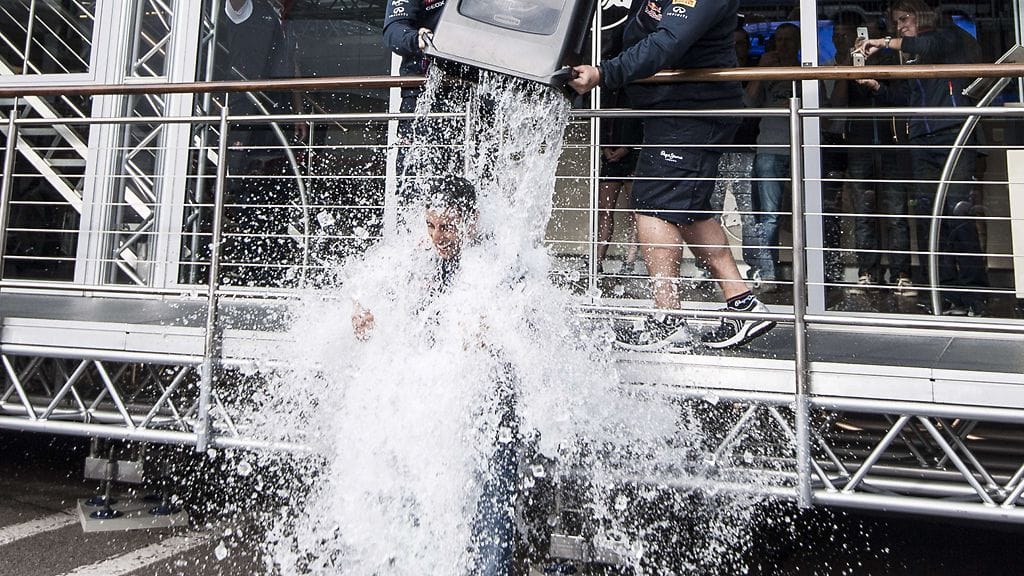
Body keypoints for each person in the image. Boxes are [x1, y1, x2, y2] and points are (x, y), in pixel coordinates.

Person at [568, 1, 776, 350]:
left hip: (693, 113)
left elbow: (667, 43)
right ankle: (744, 305)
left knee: (652, 204)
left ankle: (668, 319)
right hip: (675, 111)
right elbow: (632, 34)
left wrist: (604, 74)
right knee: (688, 207)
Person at [350, 177, 521, 575]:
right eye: (431, 225)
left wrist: (490, 330)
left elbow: (520, 318)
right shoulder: (421, 250)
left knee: (489, 510)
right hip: (435, 401)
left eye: (447, 226)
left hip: (489, 406)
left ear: (471, 221)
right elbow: (368, 280)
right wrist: (361, 310)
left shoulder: (496, 256)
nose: (438, 236)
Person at [858, 0, 989, 314]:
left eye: (903, 19)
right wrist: (877, 86)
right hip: (921, 138)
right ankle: (942, 296)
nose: (900, 27)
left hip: (953, 134)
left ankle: (974, 297)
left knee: (959, 216)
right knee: (930, 219)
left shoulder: (949, 37)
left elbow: (927, 43)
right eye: (896, 22)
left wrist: (882, 43)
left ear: (922, 14)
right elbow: (907, 98)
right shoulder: (916, 51)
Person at [834, 14, 915, 297]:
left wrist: (876, 83)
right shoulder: (847, 62)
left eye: (866, 37)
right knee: (864, 212)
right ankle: (868, 272)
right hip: (859, 143)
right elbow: (837, 103)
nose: (862, 43)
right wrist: (847, 69)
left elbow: (902, 99)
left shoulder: (894, 62)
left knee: (896, 212)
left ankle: (902, 274)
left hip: (891, 143)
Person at [744, 23, 800, 294]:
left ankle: (816, 276)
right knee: (769, 217)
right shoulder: (766, 69)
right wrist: (760, 71)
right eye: (779, 40)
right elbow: (747, 106)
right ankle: (766, 274)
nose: (784, 45)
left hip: (804, 150)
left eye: (789, 40)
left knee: (809, 214)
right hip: (769, 148)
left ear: (800, 43)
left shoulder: (807, 67)